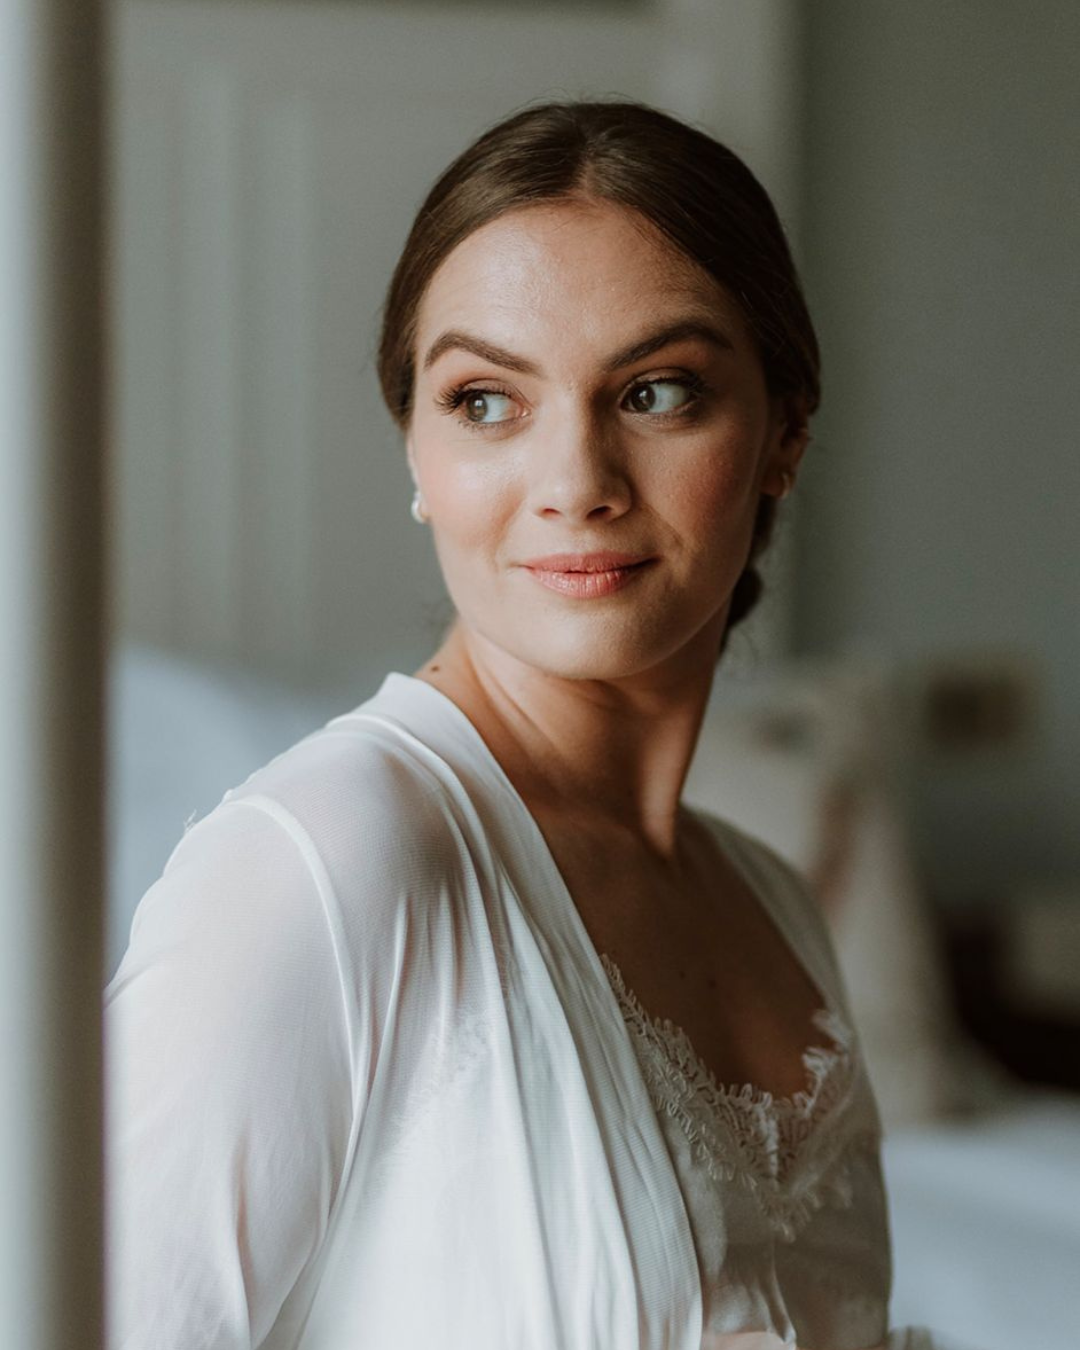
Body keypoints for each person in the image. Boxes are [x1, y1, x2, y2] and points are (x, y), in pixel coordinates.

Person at [105, 101, 962, 1350]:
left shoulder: (774, 902)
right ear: (416, 446)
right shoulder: (333, 862)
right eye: (487, 401)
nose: (576, 483)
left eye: (657, 391)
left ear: (784, 431)